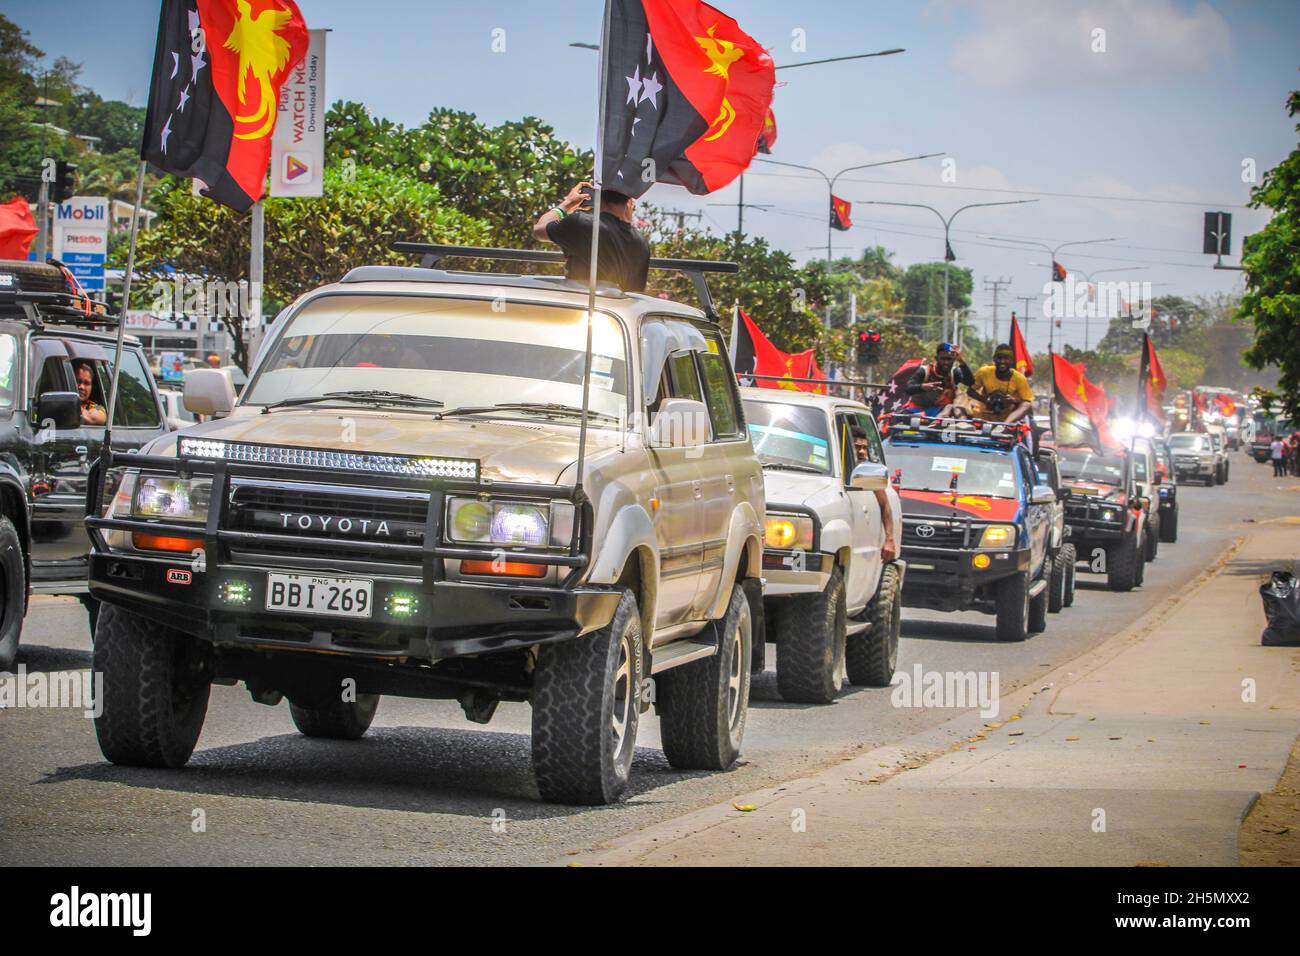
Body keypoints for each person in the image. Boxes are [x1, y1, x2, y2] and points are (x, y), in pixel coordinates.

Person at [532, 181, 651, 293]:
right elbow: (633, 292)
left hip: (577, 306)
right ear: (629, 202)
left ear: (596, 194)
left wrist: (567, 204)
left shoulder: (580, 223)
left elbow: (538, 231)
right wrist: (627, 221)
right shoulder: (641, 242)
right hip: (614, 312)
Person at [851, 425, 897, 563]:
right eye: (857, 447)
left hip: (864, 545)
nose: (862, 452)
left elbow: (884, 505)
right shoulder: (835, 470)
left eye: (865, 448)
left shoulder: (869, 471)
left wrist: (889, 540)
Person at [904, 343, 974, 416]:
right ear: (936, 358)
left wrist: (961, 361)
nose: (946, 362)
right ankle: (925, 418)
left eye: (949, 359)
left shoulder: (954, 373)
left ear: (954, 359)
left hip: (939, 412)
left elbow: (970, 382)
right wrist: (922, 387)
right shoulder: (925, 371)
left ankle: (936, 420)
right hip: (916, 410)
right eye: (943, 359)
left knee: (950, 408)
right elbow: (907, 388)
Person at [971, 345, 1034, 423]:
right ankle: (963, 422)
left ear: (1011, 360)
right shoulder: (984, 372)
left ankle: (1004, 425)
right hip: (983, 412)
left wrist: (1013, 400)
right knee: (962, 398)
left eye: (1006, 358)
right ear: (994, 359)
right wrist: (985, 399)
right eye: (999, 358)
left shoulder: (1020, 378)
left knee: (1026, 405)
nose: (1002, 361)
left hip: (1007, 416)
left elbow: (1028, 403)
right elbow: (970, 391)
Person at [73, 360, 106, 425]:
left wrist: (69, 407)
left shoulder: (97, 406)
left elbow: (97, 417)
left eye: (86, 383)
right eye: (78, 381)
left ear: (91, 387)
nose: (81, 387)